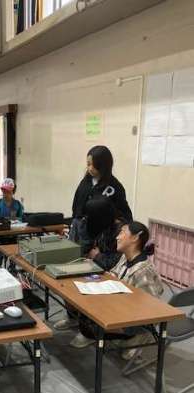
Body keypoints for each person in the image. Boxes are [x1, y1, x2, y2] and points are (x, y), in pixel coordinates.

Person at [69, 221, 163, 355]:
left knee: (91, 326)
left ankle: (138, 337)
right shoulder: (125, 257)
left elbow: (150, 307)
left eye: (122, 233)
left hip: (133, 320)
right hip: (118, 307)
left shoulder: (143, 270)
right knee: (84, 313)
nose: (117, 237)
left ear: (135, 238)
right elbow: (114, 275)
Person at [70, 146, 132, 246]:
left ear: (103, 165)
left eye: (94, 165)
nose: (90, 168)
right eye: (88, 164)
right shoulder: (85, 182)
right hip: (80, 230)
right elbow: (76, 205)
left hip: (101, 237)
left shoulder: (115, 187)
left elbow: (124, 216)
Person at [84, 197, 125, 270]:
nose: (86, 218)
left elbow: (116, 263)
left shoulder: (122, 233)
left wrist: (97, 256)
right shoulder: (103, 226)